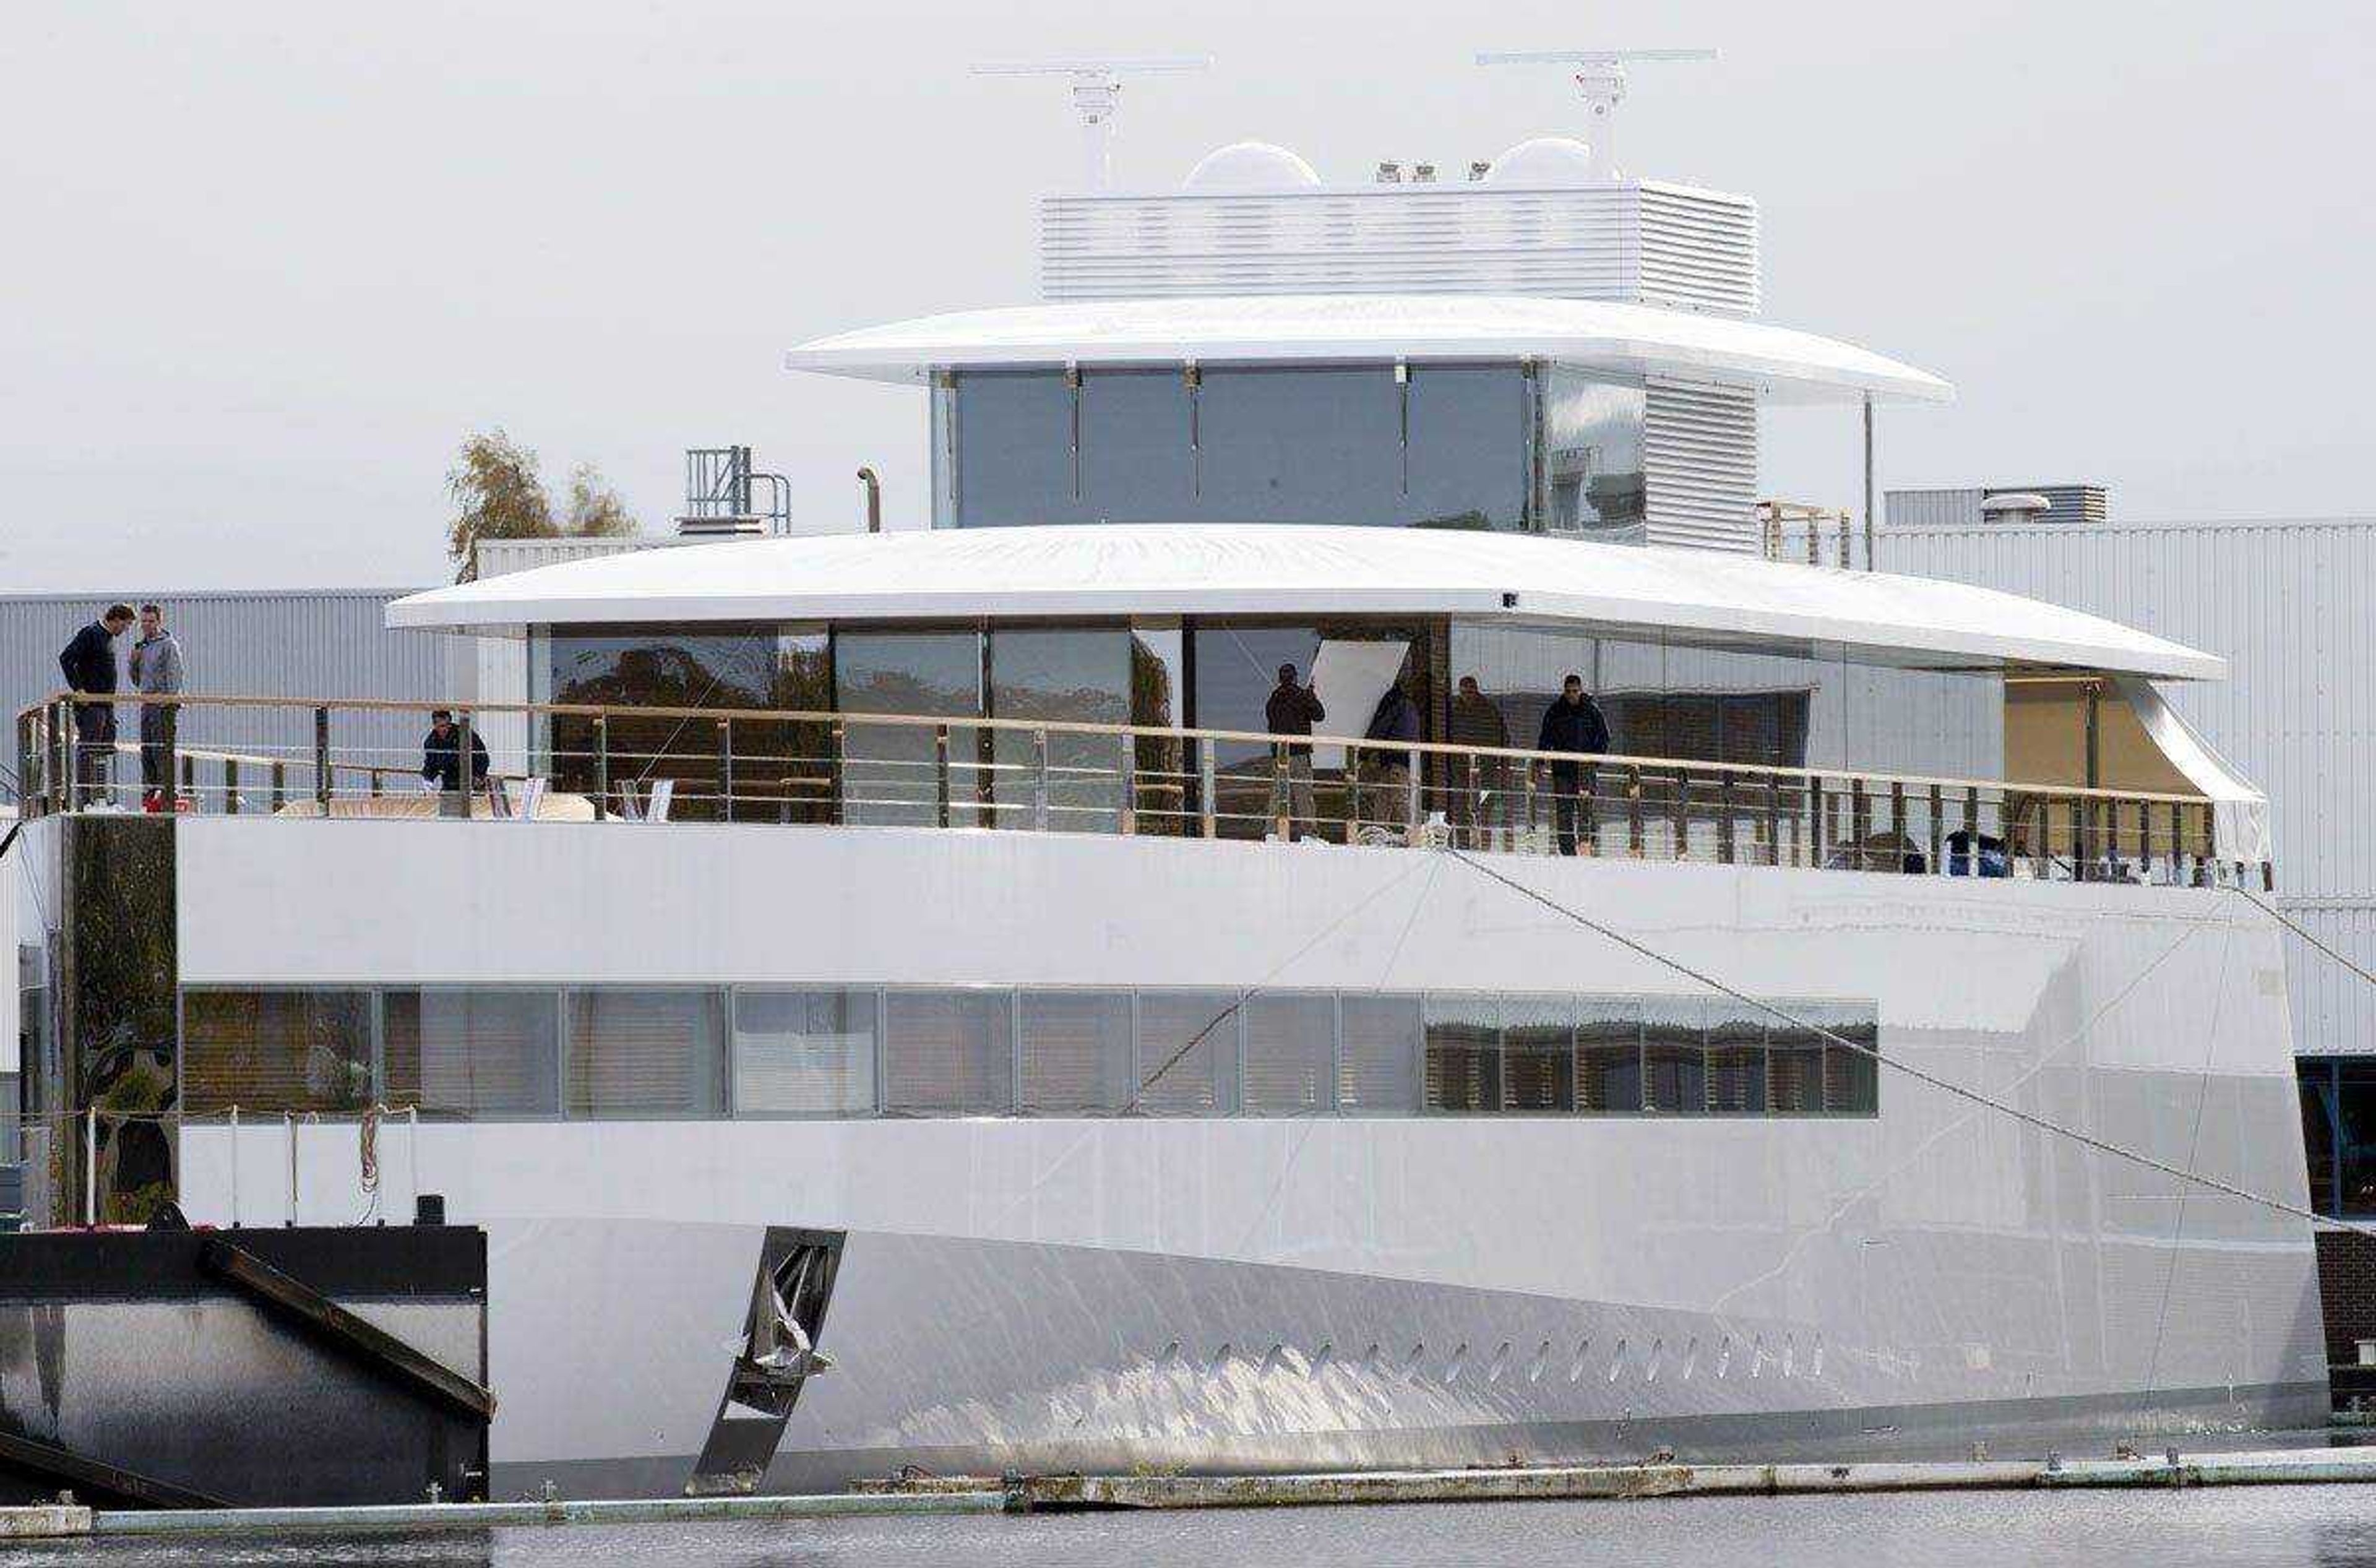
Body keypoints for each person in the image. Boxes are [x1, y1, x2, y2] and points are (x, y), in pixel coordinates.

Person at [58, 603, 135, 808]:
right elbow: (66, 658)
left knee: (105, 747)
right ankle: (86, 797)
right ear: (116, 619)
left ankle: (100, 792)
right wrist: (79, 690)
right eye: (125, 626)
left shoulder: (109, 638)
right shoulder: (91, 633)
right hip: (91, 705)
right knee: (89, 748)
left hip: (106, 704)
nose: (125, 630)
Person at [1536, 673, 1611, 856]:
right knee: (1564, 812)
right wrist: (1540, 762)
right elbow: (1546, 738)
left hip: (1585, 770)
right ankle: (1568, 852)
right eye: (1568, 692)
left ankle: (1586, 847)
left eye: (1575, 691)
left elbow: (1604, 737)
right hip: (1562, 770)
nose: (1572, 695)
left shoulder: (1592, 711)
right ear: (1564, 691)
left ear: (1581, 690)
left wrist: (1594, 762)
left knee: (1587, 811)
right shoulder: (1555, 711)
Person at [127, 603, 186, 809]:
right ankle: (150, 790)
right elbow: (137, 680)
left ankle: (166, 789)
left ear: (159, 621)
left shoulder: (168, 644)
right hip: (146, 702)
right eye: (143, 621)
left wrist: (169, 700)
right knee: (148, 749)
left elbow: (175, 674)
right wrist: (133, 662)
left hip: (163, 705)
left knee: (162, 748)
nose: (147, 625)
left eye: (151, 621)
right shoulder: (141, 647)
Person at [1263, 663, 1325, 840]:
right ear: (1296, 677)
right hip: (1298, 753)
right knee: (1303, 793)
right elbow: (1320, 715)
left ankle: (1271, 832)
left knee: (1278, 793)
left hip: (1279, 754)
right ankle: (1309, 833)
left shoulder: (1273, 699)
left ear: (1280, 679)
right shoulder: (1302, 696)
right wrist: (1311, 695)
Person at [1447, 674, 1509, 848]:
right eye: (1463, 692)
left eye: (1470, 691)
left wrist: (1504, 770)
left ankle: (1484, 849)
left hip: (1486, 771)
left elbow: (1504, 740)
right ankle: (1463, 847)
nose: (1467, 695)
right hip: (1459, 770)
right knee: (1460, 811)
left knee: (1483, 812)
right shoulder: (1454, 711)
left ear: (1476, 690)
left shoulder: (1490, 711)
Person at [1360, 679, 1423, 834]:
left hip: (1396, 758)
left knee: (1398, 796)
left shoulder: (1395, 703)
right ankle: (1378, 831)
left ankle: (1415, 831)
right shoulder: (1409, 706)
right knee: (1383, 797)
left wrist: (1364, 752)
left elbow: (1381, 727)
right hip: (1400, 759)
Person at [420, 710, 493, 801]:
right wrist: (428, 780)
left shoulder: (466, 734)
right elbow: (431, 764)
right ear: (435, 726)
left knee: (474, 811)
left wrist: (479, 776)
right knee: (447, 809)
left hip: (471, 781)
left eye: (448, 725)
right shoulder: (431, 742)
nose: (445, 729)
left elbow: (482, 757)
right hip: (450, 782)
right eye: (441, 726)